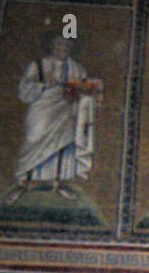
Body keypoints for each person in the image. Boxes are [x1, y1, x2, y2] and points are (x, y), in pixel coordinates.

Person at [5, 36, 98, 202]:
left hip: (66, 111)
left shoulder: (77, 68)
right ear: (52, 46)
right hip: (42, 109)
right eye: (59, 44)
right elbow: (25, 90)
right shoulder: (38, 65)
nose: (62, 48)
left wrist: (83, 91)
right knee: (34, 138)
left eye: (66, 45)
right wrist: (43, 84)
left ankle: (58, 183)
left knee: (62, 145)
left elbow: (86, 90)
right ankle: (23, 182)